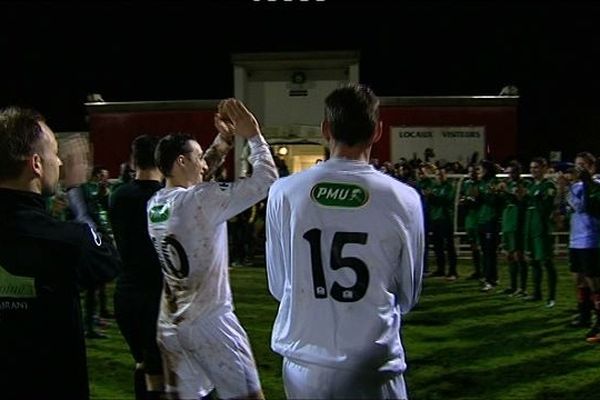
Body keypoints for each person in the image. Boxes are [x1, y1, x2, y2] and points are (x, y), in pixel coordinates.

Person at [266, 84, 424, 399]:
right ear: (378, 131)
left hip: (303, 363)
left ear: (326, 130)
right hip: (372, 364)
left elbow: (278, 284)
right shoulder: (403, 199)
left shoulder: (284, 192)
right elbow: (408, 294)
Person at [147, 98, 277, 400]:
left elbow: (198, 182)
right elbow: (266, 180)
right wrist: (253, 136)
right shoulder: (199, 201)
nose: (204, 163)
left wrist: (225, 139)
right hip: (211, 323)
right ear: (181, 161)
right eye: (197, 157)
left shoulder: (156, 203)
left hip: (170, 324)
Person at [0, 106, 120, 399]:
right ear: (37, 164)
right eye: (55, 154)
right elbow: (107, 259)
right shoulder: (65, 241)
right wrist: (78, 190)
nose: (60, 164)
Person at [109, 135, 165, 399]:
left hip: (126, 295)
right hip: (157, 296)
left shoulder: (118, 196)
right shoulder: (166, 198)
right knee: (161, 371)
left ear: (133, 160)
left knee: (142, 363)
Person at [557, 152, 600, 340]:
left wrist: (567, 190)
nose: (577, 168)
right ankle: (584, 314)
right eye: (576, 165)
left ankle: (598, 322)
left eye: (582, 164)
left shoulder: (596, 184)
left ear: (591, 166)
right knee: (578, 279)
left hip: (591, 239)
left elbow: (582, 207)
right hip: (576, 238)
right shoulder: (576, 185)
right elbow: (568, 210)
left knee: (595, 283)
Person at [524, 157, 557, 307]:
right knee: (533, 261)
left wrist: (535, 199)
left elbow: (546, 207)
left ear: (544, 169)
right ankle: (536, 293)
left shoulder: (548, 185)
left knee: (546, 262)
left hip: (542, 229)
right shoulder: (531, 185)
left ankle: (551, 297)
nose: (533, 170)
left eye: (536, 167)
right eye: (531, 167)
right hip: (530, 227)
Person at [498, 161, 528, 296]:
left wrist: (507, 192)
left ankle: (522, 288)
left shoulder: (524, 184)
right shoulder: (507, 184)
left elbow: (520, 200)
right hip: (507, 222)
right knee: (509, 255)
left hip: (517, 223)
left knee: (518, 255)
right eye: (508, 172)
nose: (509, 175)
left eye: (512, 172)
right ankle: (512, 285)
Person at [426, 165, 458, 280]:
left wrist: (432, 197)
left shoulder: (449, 187)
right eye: (437, 175)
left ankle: (453, 271)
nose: (439, 177)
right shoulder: (435, 187)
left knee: (449, 246)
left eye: (441, 174)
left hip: (445, 219)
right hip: (435, 219)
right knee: (437, 245)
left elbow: (445, 200)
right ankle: (440, 269)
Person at [459, 164, 482, 280]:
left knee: (480, 246)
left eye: (474, 172)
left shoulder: (481, 184)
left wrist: (471, 201)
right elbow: (462, 198)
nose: (471, 174)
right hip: (469, 218)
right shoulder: (466, 184)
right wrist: (464, 201)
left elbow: (478, 200)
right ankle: (477, 270)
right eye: (469, 172)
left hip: (479, 218)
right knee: (473, 245)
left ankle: (484, 271)